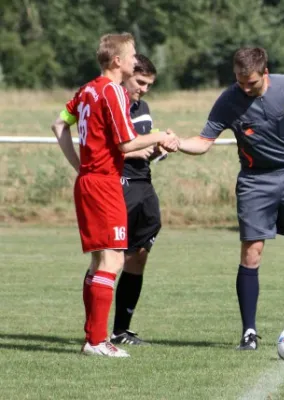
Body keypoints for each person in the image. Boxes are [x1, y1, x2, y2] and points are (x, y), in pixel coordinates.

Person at [177, 47, 284, 350]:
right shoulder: (229, 100)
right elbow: (204, 142)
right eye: (240, 81)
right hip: (255, 181)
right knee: (252, 253)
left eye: (252, 83)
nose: (245, 88)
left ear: (265, 73)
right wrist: (175, 142)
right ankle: (249, 333)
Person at [50, 33, 178, 357]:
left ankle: (92, 337)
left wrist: (79, 165)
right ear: (118, 61)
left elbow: (58, 125)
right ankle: (97, 341)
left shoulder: (86, 90)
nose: (136, 59)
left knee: (98, 262)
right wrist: (160, 135)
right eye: (133, 55)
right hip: (106, 183)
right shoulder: (112, 92)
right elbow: (125, 143)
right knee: (114, 258)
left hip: (88, 181)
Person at [110, 54, 163, 346]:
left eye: (149, 85)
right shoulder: (110, 103)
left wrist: (156, 149)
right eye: (140, 82)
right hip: (118, 185)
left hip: (144, 185)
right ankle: (94, 333)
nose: (143, 89)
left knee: (138, 257)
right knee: (109, 259)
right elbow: (100, 148)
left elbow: (141, 144)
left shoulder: (143, 108)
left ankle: (120, 330)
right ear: (127, 74)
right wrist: (132, 152)